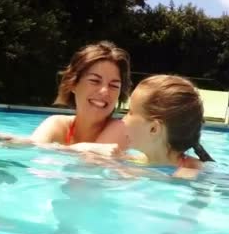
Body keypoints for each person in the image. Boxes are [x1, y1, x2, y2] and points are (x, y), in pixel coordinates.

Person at [72, 75, 215, 179]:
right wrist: (85, 148)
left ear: (153, 129)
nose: (123, 119)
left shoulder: (189, 172)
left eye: (130, 112)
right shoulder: (133, 160)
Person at [29, 41, 132, 147]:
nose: (104, 91)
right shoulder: (57, 123)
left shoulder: (119, 129)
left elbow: (94, 159)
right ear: (73, 84)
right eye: (95, 81)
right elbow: (32, 147)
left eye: (114, 86)